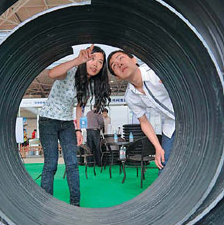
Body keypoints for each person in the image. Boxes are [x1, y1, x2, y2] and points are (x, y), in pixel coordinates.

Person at [39, 44, 111, 206]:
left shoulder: (91, 85)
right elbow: (52, 73)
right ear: (85, 58)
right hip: (48, 120)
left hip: (67, 124)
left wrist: (79, 129)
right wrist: (77, 60)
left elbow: (80, 107)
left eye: (100, 62)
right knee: (51, 164)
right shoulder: (70, 71)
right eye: (93, 59)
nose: (96, 64)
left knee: (72, 164)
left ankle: (75, 204)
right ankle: (45, 204)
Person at [107, 50, 175, 173]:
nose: (119, 64)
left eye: (120, 58)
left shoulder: (156, 70)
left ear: (134, 60)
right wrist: (158, 147)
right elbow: (144, 122)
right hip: (171, 125)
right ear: (117, 76)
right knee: (164, 168)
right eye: (114, 65)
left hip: (194, 115)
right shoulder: (130, 97)